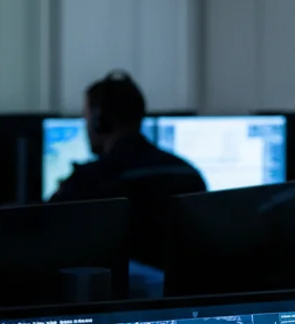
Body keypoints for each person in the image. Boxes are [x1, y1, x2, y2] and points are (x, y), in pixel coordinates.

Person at [50, 71, 206, 265]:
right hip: (181, 293)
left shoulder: (89, 182)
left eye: (85, 117)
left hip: (115, 293)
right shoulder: (188, 173)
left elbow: (44, 230)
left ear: (100, 121)